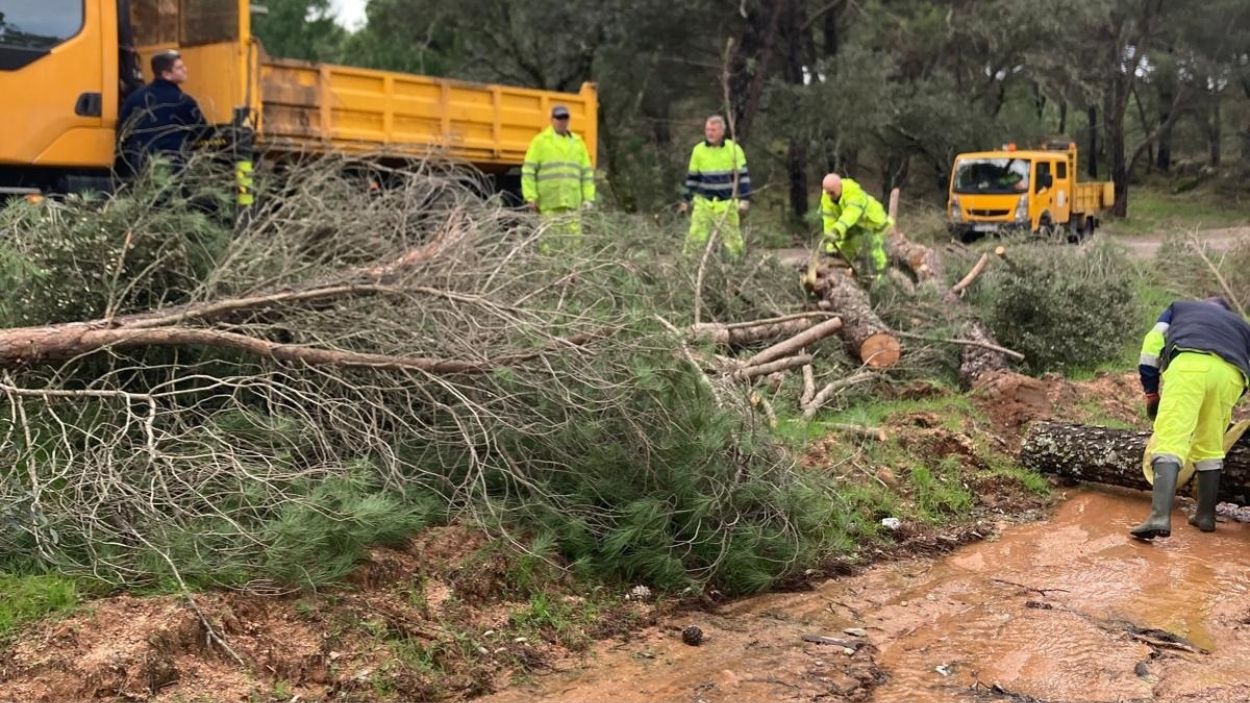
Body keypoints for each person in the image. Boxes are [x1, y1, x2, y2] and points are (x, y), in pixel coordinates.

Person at [1130, 296, 1250, 540]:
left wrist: (1151, 392)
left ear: (1204, 304)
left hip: (1190, 365)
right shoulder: (1241, 325)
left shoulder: (1179, 308)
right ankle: (1205, 516)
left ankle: (1159, 517)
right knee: (1210, 442)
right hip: (1232, 377)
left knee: (1171, 437)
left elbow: (1152, 345)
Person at [117, 50, 206, 175]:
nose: (185, 69)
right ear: (166, 74)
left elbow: (122, 132)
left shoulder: (134, 98)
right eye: (179, 68)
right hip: (173, 167)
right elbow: (202, 133)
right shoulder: (183, 101)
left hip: (139, 166)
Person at [521, 105, 596, 250]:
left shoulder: (577, 143)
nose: (562, 121)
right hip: (550, 203)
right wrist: (530, 196)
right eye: (559, 118)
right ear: (552, 120)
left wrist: (588, 198)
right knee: (549, 245)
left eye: (565, 118)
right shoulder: (541, 141)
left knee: (573, 246)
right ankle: (551, 272)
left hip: (573, 205)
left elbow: (586, 173)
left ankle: (571, 272)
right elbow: (529, 171)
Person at [679, 115, 751, 258]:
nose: (710, 133)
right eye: (707, 130)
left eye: (713, 130)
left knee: (733, 241)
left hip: (727, 202)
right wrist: (685, 200)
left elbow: (743, 177)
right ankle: (689, 266)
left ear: (722, 131)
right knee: (695, 238)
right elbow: (692, 179)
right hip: (703, 203)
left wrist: (745, 199)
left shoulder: (734, 149)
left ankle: (738, 266)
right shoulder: (698, 150)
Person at [819, 173, 891, 280]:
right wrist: (831, 244)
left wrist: (836, 230)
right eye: (827, 192)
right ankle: (854, 276)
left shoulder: (853, 193)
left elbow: (851, 214)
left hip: (872, 223)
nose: (829, 196)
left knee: (875, 248)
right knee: (846, 249)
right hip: (851, 227)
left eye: (832, 193)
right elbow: (829, 220)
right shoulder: (827, 197)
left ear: (840, 187)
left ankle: (883, 276)